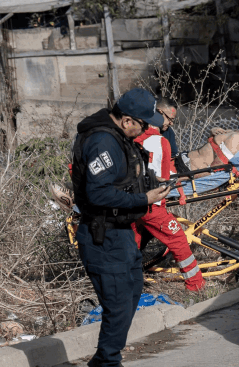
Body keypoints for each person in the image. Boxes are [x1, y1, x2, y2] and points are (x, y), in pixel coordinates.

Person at [71, 88, 171, 367]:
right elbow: (98, 194)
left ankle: (104, 360)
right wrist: (143, 199)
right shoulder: (103, 141)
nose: (144, 130)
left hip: (121, 231)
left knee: (132, 293)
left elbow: (122, 180)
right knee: (116, 305)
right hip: (102, 235)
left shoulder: (119, 138)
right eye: (142, 124)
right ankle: (108, 362)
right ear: (127, 120)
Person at [131, 123, 205, 291]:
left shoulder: (126, 138)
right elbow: (165, 177)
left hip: (130, 203)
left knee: (132, 243)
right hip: (152, 206)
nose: (169, 124)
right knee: (178, 239)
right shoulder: (161, 141)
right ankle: (196, 285)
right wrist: (179, 190)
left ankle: (130, 286)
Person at [155, 97, 185, 173]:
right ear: (159, 112)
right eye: (169, 119)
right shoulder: (139, 130)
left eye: (172, 120)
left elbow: (173, 157)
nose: (171, 123)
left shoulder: (168, 132)